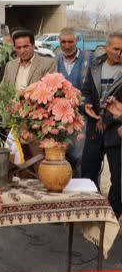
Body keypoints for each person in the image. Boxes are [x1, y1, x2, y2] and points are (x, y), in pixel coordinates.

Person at [80, 32, 122, 216]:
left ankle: (113, 217)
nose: (120, 53)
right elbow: (86, 90)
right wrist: (86, 104)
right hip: (94, 128)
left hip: (116, 129)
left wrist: (109, 120)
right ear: (106, 48)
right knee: (88, 171)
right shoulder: (96, 65)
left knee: (118, 178)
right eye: (116, 49)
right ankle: (89, 214)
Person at [55, 28, 90, 176]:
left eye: (70, 41)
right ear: (59, 42)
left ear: (76, 41)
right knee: (64, 156)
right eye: (63, 42)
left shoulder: (89, 60)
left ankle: (86, 194)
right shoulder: (55, 61)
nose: (67, 45)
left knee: (83, 157)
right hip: (61, 120)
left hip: (83, 117)